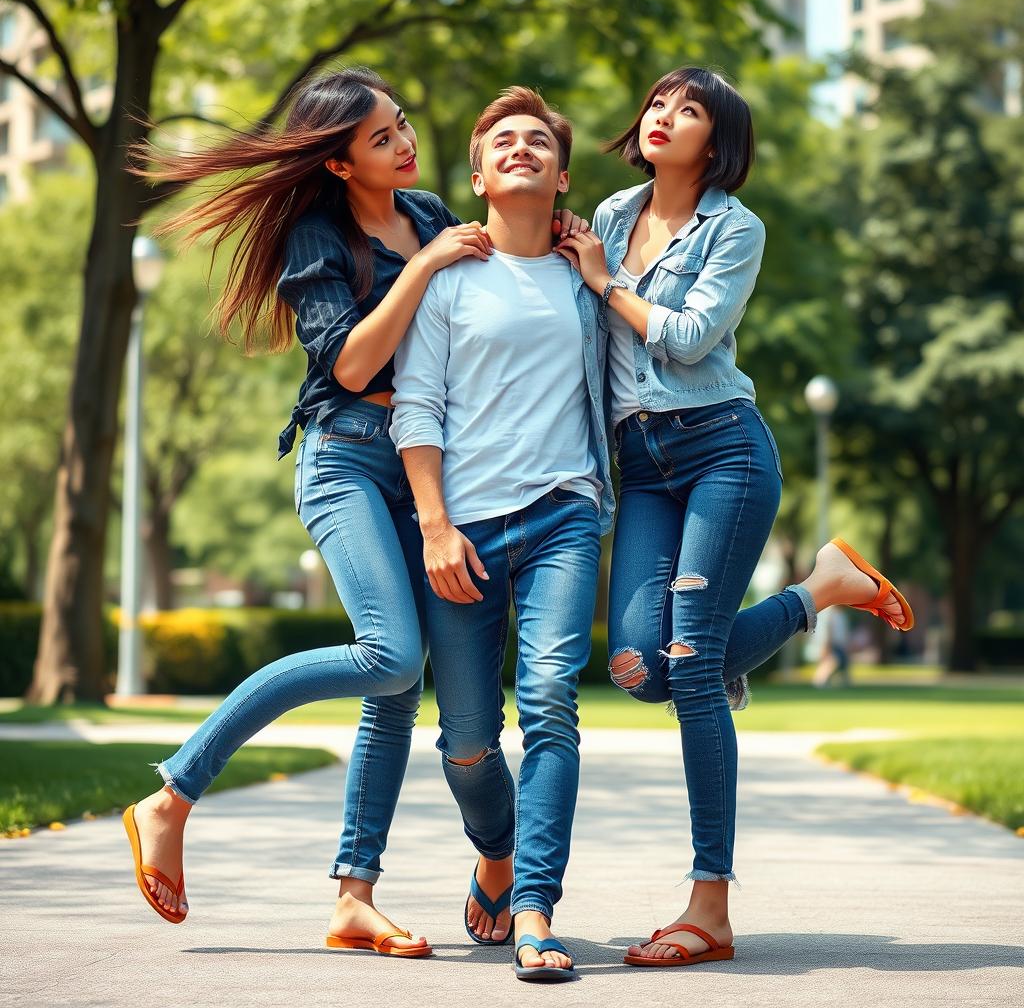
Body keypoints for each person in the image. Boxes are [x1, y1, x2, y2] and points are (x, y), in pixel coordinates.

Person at [121, 66, 585, 956]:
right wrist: (430, 268)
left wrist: (550, 233)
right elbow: (351, 368)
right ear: (338, 164)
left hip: (426, 471)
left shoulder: (428, 213)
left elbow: (487, 294)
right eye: (382, 138)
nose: (406, 143)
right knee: (389, 653)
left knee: (399, 694)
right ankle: (174, 791)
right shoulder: (317, 237)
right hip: (344, 461)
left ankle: (353, 895)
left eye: (403, 124)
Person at [556, 66, 915, 968]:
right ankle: (822, 590)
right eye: (656, 102)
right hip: (641, 466)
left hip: (722, 450)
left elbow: (684, 338)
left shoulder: (735, 228)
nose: (661, 117)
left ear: (714, 142)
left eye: (687, 111)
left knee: (691, 668)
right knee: (643, 665)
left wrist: (606, 285)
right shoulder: (605, 216)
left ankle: (708, 905)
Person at [389, 86, 614, 982]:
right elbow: (418, 406)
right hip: (465, 527)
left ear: (560, 176)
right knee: (469, 742)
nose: (521, 148)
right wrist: (435, 526)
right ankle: (495, 851)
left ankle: (535, 909)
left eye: (538, 142)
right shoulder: (448, 277)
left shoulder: (589, 281)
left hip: (565, 513)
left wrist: (604, 273)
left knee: (553, 703)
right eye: (503, 142)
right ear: (479, 172)